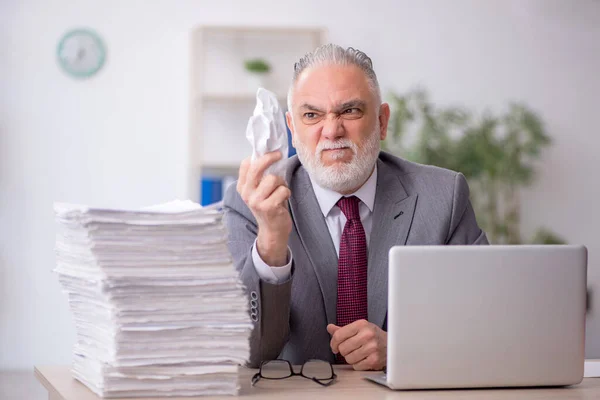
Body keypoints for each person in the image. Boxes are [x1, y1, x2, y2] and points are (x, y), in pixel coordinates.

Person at [223, 44, 488, 371]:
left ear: (382, 121)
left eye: (349, 111)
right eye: (312, 115)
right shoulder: (250, 202)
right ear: (292, 129)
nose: (332, 131)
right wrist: (271, 245)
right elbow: (248, 352)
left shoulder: (443, 196)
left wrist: (402, 349)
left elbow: (483, 324)